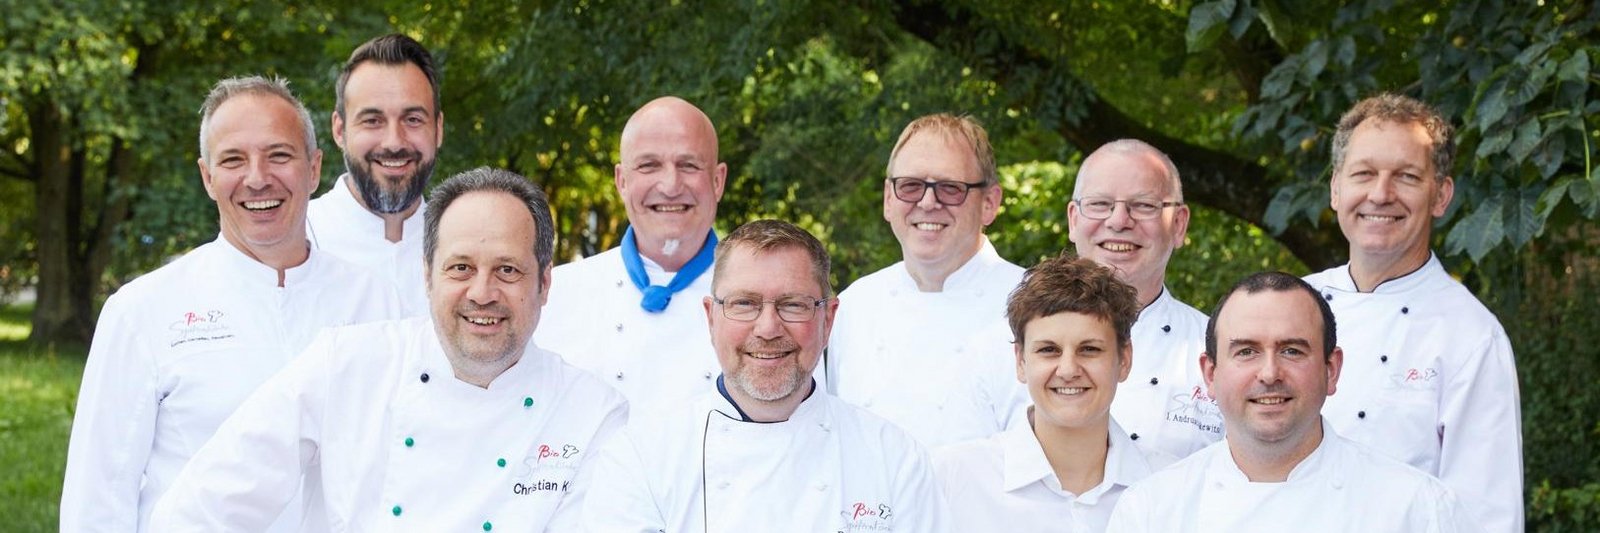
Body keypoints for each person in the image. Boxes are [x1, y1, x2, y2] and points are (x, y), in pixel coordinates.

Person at [149, 168, 627, 532]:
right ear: (427, 276)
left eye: (507, 270)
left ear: (545, 283)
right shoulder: (346, 365)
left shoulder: (592, 413)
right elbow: (203, 506)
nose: (482, 292)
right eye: (460, 268)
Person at [60, 76, 401, 532]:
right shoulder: (141, 310)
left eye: (279, 155)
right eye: (233, 160)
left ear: (315, 168)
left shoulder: (374, 299)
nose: (257, 179)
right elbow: (96, 500)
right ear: (207, 177)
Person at [581, 220, 947, 532]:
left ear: (828, 319)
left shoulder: (895, 459)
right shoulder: (640, 458)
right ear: (711, 318)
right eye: (744, 304)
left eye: (792, 305)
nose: (768, 328)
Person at [1106, 272, 1481, 532]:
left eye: (1291, 350)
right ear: (1210, 374)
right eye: (1247, 351)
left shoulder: (1417, 510)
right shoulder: (1151, 512)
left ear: (1331, 370)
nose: (1269, 373)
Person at [1303, 93, 1521, 532]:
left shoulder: (1472, 336)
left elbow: (1486, 516)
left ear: (1441, 195)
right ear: (1335, 189)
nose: (1381, 195)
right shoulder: (1291, 305)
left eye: (1406, 176)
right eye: (1364, 174)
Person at [935, 252, 1173, 532]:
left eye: (1090, 349)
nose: (1068, 369)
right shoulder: (951, 479)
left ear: (1124, 360)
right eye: (1049, 350)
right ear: (1021, 361)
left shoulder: (1171, 485)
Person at [828, 113, 1027, 447]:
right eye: (910, 186)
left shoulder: (1036, 303)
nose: (928, 202)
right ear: (888, 200)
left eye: (951, 188)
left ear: (989, 204)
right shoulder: (854, 305)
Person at [536, 96, 733, 405]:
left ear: (718, 181)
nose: (670, 185)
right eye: (649, 166)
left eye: (689, 165)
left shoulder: (763, 301)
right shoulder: (553, 296)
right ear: (622, 181)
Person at [1067, 139, 1220, 458]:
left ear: (1179, 225)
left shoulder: (1220, 350)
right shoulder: (1012, 343)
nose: (1119, 221)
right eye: (1099, 204)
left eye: (1144, 205)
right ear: (1073, 219)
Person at [306, 33, 444, 316]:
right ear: (339, 130)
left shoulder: (464, 246)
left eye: (413, 119)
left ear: (438, 129)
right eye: (372, 121)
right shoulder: (297, 239)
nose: (394, 142)